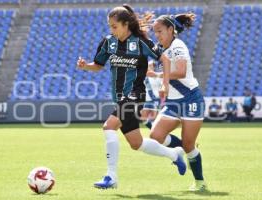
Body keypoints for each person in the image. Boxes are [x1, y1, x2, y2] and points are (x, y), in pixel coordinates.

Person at [77, 4, 186, 189]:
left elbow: (165, 60)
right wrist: (85, 66)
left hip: (135, 95)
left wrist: (165, 84)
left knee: (109, 126)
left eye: (114, 26)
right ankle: (174, 154)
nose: (112, 30)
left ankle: (111, 177)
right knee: (137, 143)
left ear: (126, 24)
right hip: (119, 98)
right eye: (110, 26)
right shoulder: (108, 42)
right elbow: (98, 65)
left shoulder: (141, 42)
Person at [148, 13, 208, 191]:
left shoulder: (178, 45)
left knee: (189, 144)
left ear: (170, 29)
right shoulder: (159, 49)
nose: (157, 35)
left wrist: (157, 75)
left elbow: (181, 72)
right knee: (155, 136)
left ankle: (200, 182)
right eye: (154, 32)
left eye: (160, 31)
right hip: (173, 102)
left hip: (190, 99)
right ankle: (186, 152)